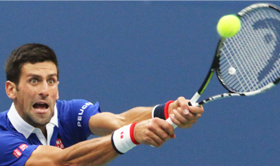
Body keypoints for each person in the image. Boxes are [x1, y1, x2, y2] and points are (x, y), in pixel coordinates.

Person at [0, 43, 204, 166]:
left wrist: (168, 112)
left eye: (51, 80)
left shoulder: (67, 112)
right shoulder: (2, 138)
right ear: (11, 89)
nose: (44, 90)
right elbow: (62, 162)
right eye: (34, 80)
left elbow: (120, 121)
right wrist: (131, 135)